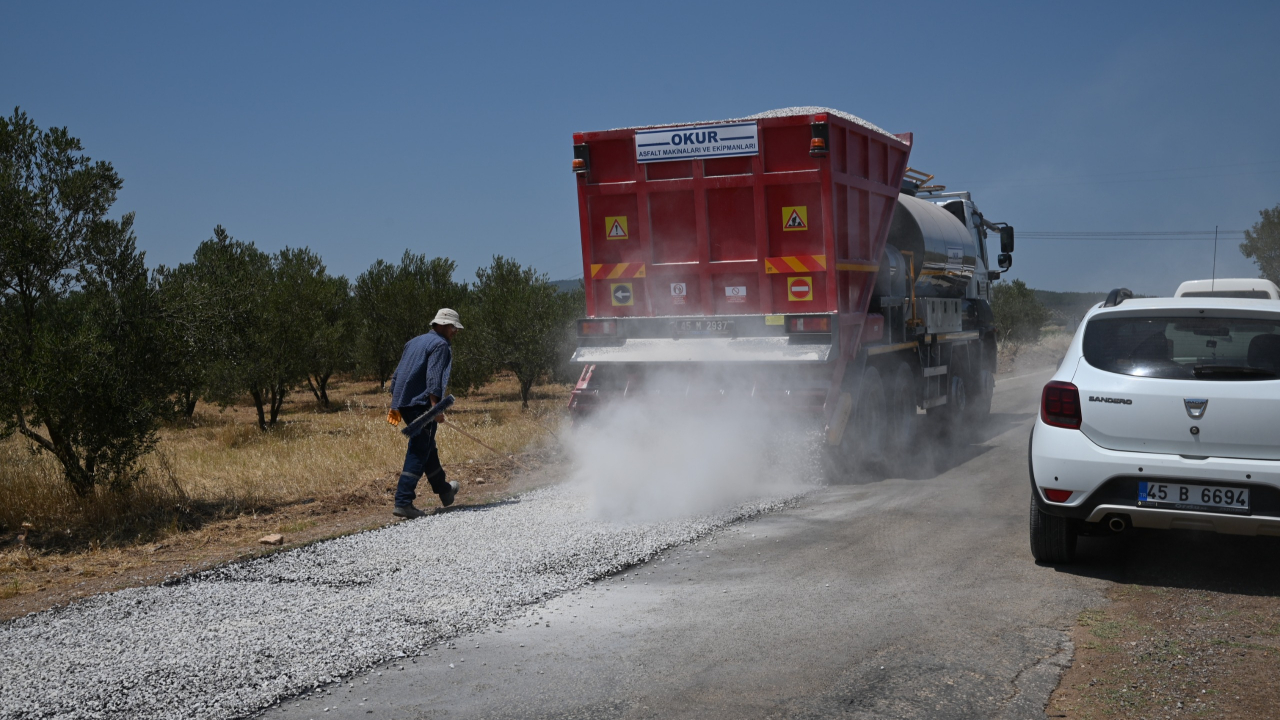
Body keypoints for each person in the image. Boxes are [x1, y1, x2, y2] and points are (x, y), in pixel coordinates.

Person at [387, 308, 464, 518]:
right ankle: (403, 501)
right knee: (419, 449)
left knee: (427, 447)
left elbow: (398, 375)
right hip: (421, 404)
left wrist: (395, 404)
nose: (454, 331)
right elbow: (433, 379)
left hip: (405, 402)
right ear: (440, 325)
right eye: (452, 327)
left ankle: (445, 491)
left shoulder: (413, 342)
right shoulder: (440, 344)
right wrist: (435, 408)